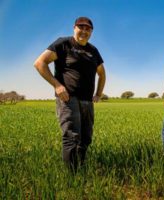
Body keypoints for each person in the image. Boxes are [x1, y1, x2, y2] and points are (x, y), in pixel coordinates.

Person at [34, 17, 106, 172]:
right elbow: (40, 63)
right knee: (72, 137)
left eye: (88, 29)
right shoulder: (63, 44)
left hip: (87, 101)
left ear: (91, 32)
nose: (84, 31)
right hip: (68, 99)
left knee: (86, 138)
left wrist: (98, 94)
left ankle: (81, 168)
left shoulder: (93, 51)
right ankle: (72, 177)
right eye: (81, 27)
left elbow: (102, 73)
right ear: (74, 28)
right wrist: (57, 85)